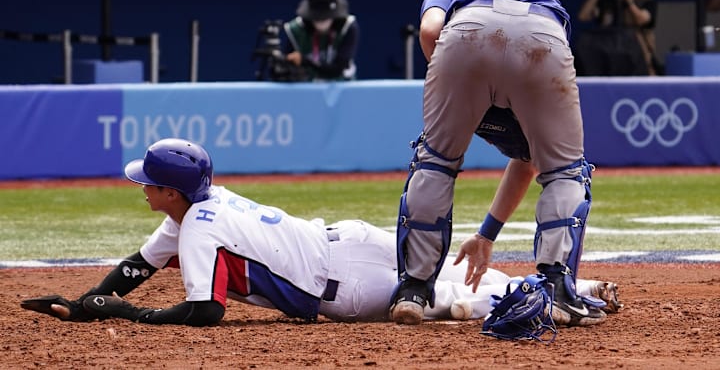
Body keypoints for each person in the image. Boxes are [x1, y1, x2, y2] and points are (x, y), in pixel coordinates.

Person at [20, 138, 620, 326]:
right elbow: (140, 264)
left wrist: (124, 313)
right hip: (346, 239)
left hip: (342, 285)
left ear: (172, 192)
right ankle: (580, 285)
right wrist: (84, 302)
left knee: (452, 301)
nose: (142, 190)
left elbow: (205, 313)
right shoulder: (205, 204)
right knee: (447, 278)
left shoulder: (198, 227)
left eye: (147, 183)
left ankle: (556, 300)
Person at [388, 0, 609, 328]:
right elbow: (529, 163)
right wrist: (486, 234)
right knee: (564, 171)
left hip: (466, 34)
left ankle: (412, 291)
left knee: (436, 163)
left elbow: (430, 31)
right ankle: (556, 290)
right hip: (542, 36)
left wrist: (459, 89)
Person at [575, 0, 660, 75]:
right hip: (610, 59)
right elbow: (583, 16)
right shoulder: (608, 2)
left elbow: (642, 20)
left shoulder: (645, 1)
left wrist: (629, 1)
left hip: (637, 59)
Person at [282, 0, 359, 81]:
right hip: (307, 88)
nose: (321, 22)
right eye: (317, 18)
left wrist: (306, 61)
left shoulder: (348, 26)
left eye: (326, 17)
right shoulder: (295, 30)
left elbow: (338, 68)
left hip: (343, 85)